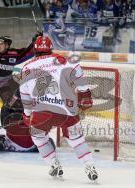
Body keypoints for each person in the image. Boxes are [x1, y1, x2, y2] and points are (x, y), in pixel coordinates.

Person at [19, 36, 98, 181]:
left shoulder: (26, 68)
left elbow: (25, 96)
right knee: (77, 139)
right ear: (50, 48)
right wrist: (84, 93)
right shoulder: (62, 60)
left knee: (38, 137)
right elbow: (77, 69)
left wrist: (26, 114)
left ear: (34, 50)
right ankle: (90, 166)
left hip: (42, 112)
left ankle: (54, 164)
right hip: (67, 110)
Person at [0, 13, 40, 132]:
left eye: (1, 43)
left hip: (6, 85)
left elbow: (28, 53)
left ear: (7, 45)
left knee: (13, 104)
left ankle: (9, 125)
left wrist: (36, 42)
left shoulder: (14, 55)